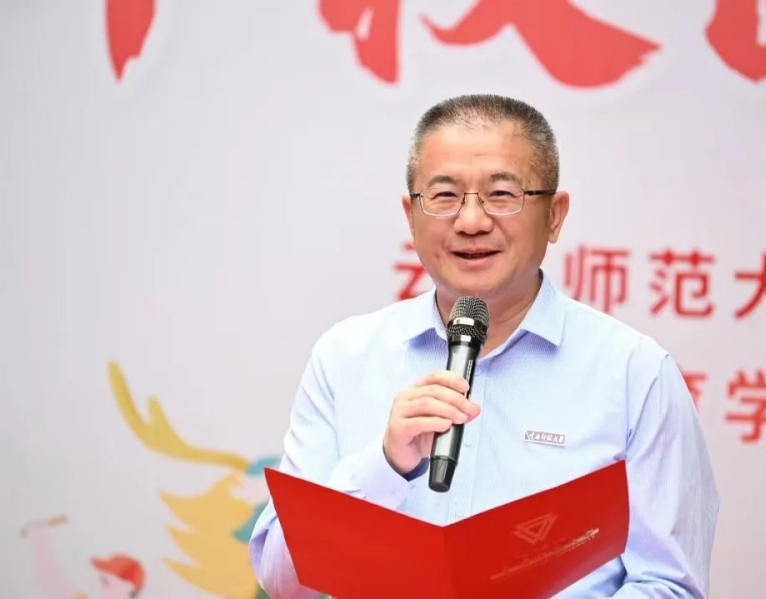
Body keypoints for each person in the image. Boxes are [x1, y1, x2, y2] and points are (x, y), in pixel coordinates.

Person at [249, 94, 720, 598]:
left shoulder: (633, 372)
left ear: (555, 215)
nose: (471, 221)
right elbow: (282, 582)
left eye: (501, 194)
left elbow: (670, 585)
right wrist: (383, 465)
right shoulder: (346, 356)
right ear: (411, 215)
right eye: (444, 196)